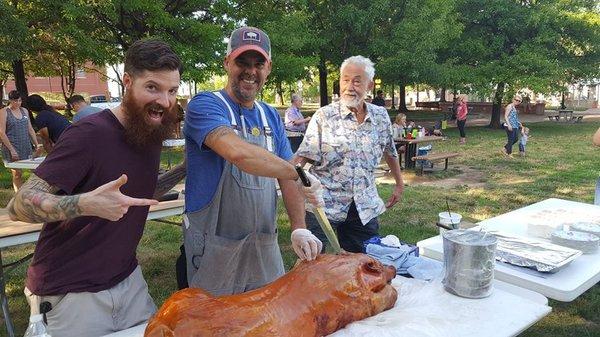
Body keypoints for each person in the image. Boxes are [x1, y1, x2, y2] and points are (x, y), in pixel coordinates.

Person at [8, 39, 186, 337]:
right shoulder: (90, 134)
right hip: (71, 291)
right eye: (152, 87)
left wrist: (185, 168)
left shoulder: (148, 129)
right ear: (128, 82)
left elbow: (136, 195)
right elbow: (19, 204)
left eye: (172, 91)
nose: (165, 101)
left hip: (127, 279)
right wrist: (85, 204)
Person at [181, 26, 323, 295]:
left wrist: (299, 228)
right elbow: (239, 153)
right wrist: (298, 173)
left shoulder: (270, 115)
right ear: (226, 63)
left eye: (258, 64)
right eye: (241, 62)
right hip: (214, 249)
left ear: (268, 68)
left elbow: (285, 175)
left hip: (264, 246)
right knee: (216, 323)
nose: (250, 71)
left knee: (269, 318)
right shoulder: (206, 105)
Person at [294, 56, 404, 253]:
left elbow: (390, 151)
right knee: (312, 266)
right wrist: (281, 177)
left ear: (369, 85)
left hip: (363, 206)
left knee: (365, 267)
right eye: (345, 80)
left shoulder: (380, 116)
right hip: (324, 205)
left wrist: (399, 183)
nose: (349, 86)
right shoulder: (324, 116)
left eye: (357, 80)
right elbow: (300, 159)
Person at [0, 90, 40, 191]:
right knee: (17, 173)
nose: (18, 103)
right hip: (12, 146)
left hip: (25, 145)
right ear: (10, 100)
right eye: (15, 101)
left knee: (35, 171)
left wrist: (36, 144)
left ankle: (32, 192)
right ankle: (18, 195)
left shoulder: (24, 110)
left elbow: (30, 128)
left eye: (19, 101)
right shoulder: (4, 112)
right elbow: (1, 132)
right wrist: (12, 150)